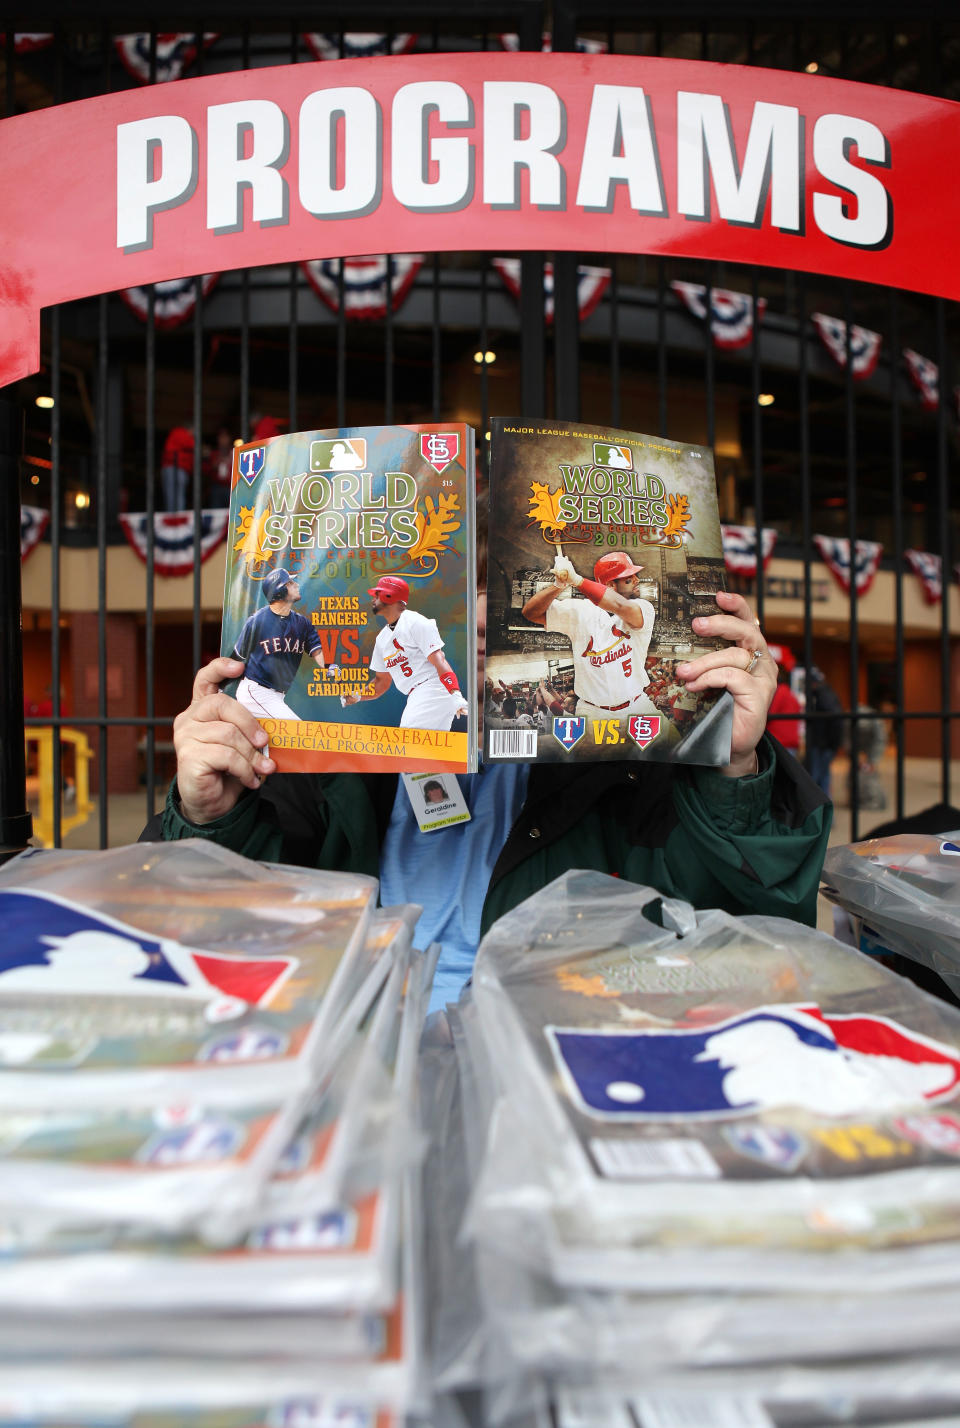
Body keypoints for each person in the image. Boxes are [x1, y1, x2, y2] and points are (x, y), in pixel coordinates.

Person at [144, 587, 830, 1013]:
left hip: (549, 1064)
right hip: (352, 1051)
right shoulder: (316, 752)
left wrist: (732, 766)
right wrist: (206, 816)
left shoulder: (629, 758)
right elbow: (179, 943)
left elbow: (758, 948)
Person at [521, 550, 659, 723]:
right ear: (610, 585)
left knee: (677, 746)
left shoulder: (643, 607)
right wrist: (558, 585)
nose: (637, 580)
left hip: (637, 705)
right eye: (629, 578)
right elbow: (530, 613)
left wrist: (577, 580)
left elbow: (619, 606)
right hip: (593, 712)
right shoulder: (581, 611)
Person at [342, 576, 468, 732]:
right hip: (420, 694)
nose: (373, 599)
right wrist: (359, 695)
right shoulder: (382, 639)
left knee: (409, 746)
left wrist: (455, 693)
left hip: (432, 688)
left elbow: (439, 661)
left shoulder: (415, 622)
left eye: (377, 595)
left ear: (390, 596)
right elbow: (381, 682)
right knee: (429, 753)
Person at [232, 567, 329, 721]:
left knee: (270, 744)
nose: (296, 585)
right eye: (290, 583)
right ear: (279, 591)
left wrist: (328, 666)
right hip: (256, 692)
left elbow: (315, 651)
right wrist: (219, 690)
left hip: (277, 696)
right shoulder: (257, 621)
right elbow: (236, 658)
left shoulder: (302, 623)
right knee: (298, 731)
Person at [804, 666, 844, 798]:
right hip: (824, 744)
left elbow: (835, 721)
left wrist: (832, 744)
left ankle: (820, 813)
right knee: (822, 777)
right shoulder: (826, 694)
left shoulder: (823, 697)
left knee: (816, 778)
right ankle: (824, 813)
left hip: (822, 745)